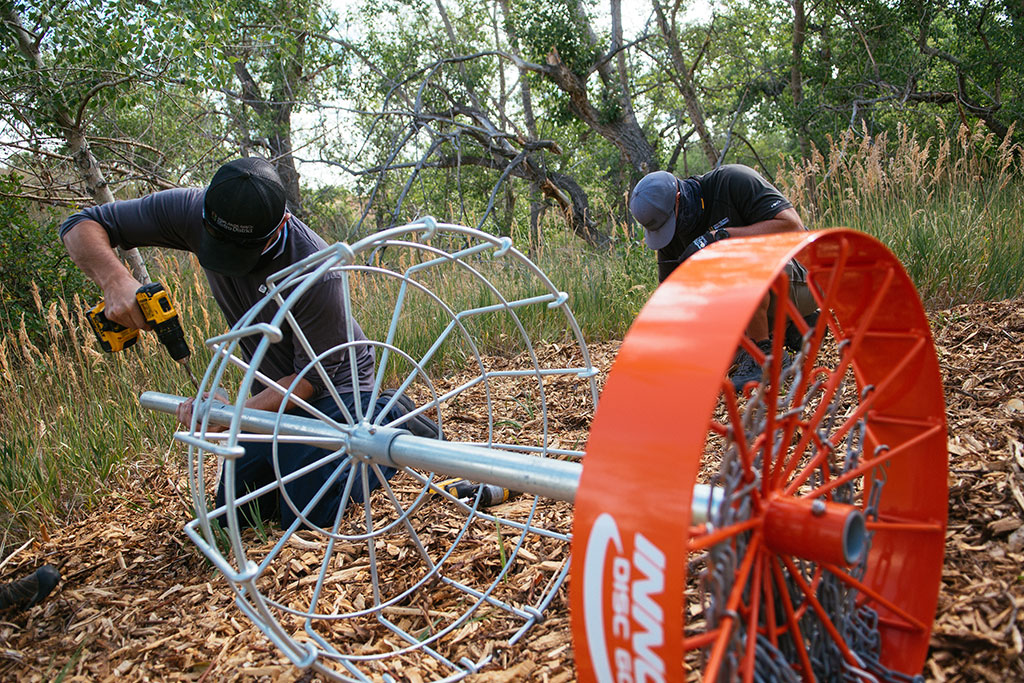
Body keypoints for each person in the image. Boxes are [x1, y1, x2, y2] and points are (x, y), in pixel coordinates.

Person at [60, 157, 438, 529]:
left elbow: (312, 380)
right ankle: (300, 457)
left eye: (240, 252)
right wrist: (115, 280)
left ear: (279, 227)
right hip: (272, 389)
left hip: (335, 389)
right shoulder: (192, 208)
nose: (225, 262)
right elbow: (81, 224)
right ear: (206, 212)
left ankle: (389, 413)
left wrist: (230, 415)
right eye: (215, 245)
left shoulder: (316, 268)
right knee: (235, 514)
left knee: (312, 510)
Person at [628, 164, 818, 391]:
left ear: (679, 198)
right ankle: (790, 328)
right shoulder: (671, 235)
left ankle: (764, 354)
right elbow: (671, 301)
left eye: (669, 223)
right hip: (760, 297)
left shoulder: (732, 181)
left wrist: (721, 238)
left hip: (803, 278)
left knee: (734, 261)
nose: (672, 230)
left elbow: (793, 227)